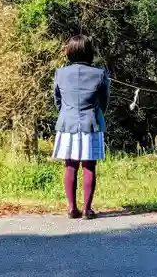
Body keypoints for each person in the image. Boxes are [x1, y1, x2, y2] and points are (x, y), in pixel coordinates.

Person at [52, 34, 110, 220]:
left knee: (70, 166)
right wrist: (96, 112)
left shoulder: (60, 73)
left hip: (67, 122)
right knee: (89, 166)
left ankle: (71, 209)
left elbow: (57, 100)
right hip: (90, 122)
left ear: (69, 51)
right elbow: (104, 101)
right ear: (89, 51)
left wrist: (66, 112)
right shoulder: (100, 73)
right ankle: (87, 210)